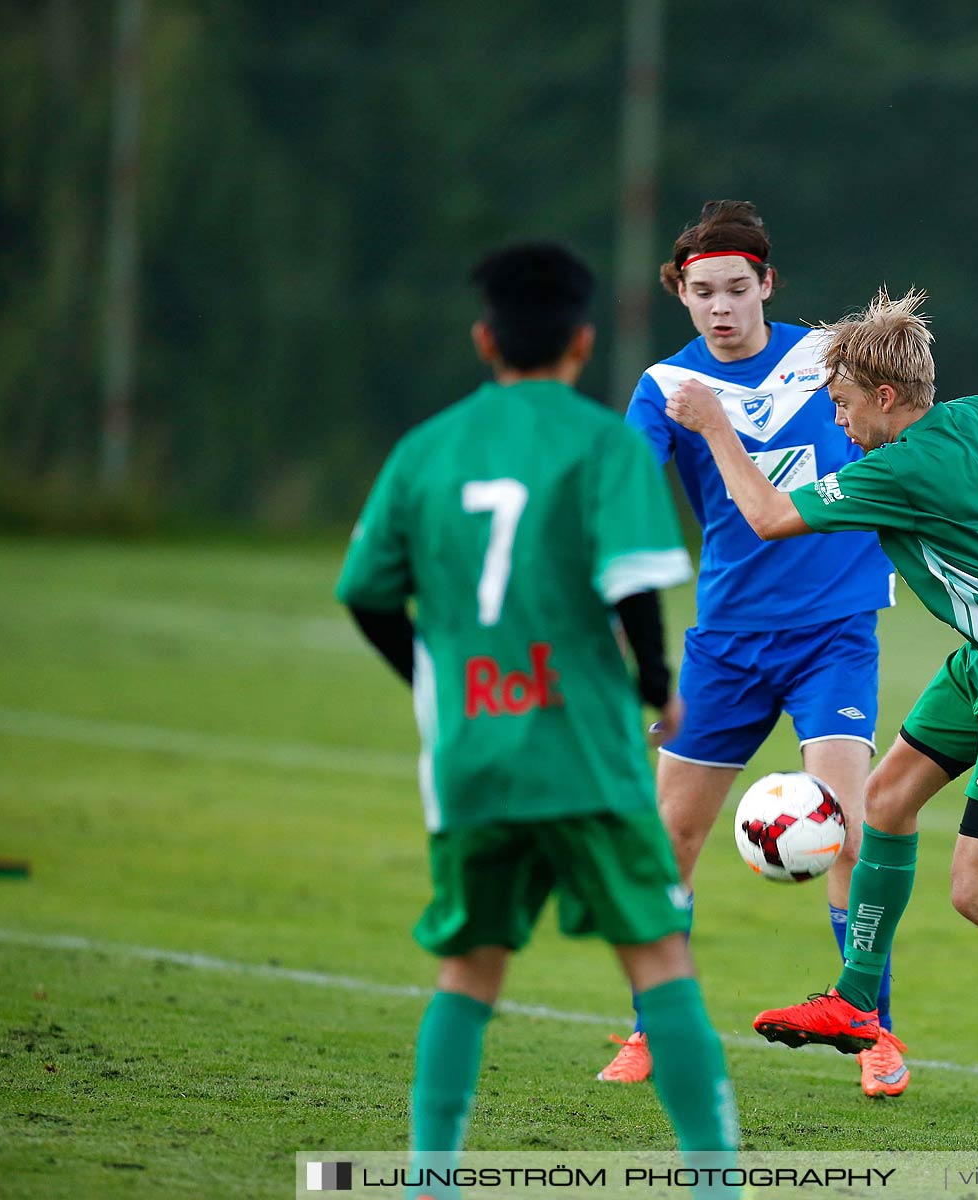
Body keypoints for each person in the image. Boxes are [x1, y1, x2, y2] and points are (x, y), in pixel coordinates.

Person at [664, 286, 978, 1124]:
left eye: (843, 400)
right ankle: (858, 1000)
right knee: (885, 804)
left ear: (886, 398)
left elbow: (765, 515)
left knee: (976, 890)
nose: (838, 414)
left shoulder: (895, 470)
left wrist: (716, 425)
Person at [336, 242, 738, 1197]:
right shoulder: (601, 442)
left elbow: (366, 592)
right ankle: (714, 1182)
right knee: (657, 955)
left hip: (473, 754)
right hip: (585, 753)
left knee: (470, 970)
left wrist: (435, 676)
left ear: (485, 339)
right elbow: (636, 586)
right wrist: (657, 687)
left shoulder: (424, 449)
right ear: (582, 342)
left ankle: (431, 1180)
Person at [605, 201, 907, 1098]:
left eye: (738, 288)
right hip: (727, 646)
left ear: (767, 284)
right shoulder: (669, 387)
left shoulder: (830, 360)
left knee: (851, 832)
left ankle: (875, 1029)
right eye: (703, 293)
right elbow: (622, 485)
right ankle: (650, 1028)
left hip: (835, 634)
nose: (722, 307)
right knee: (670, 842)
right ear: (682, 297)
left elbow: (909, 421)